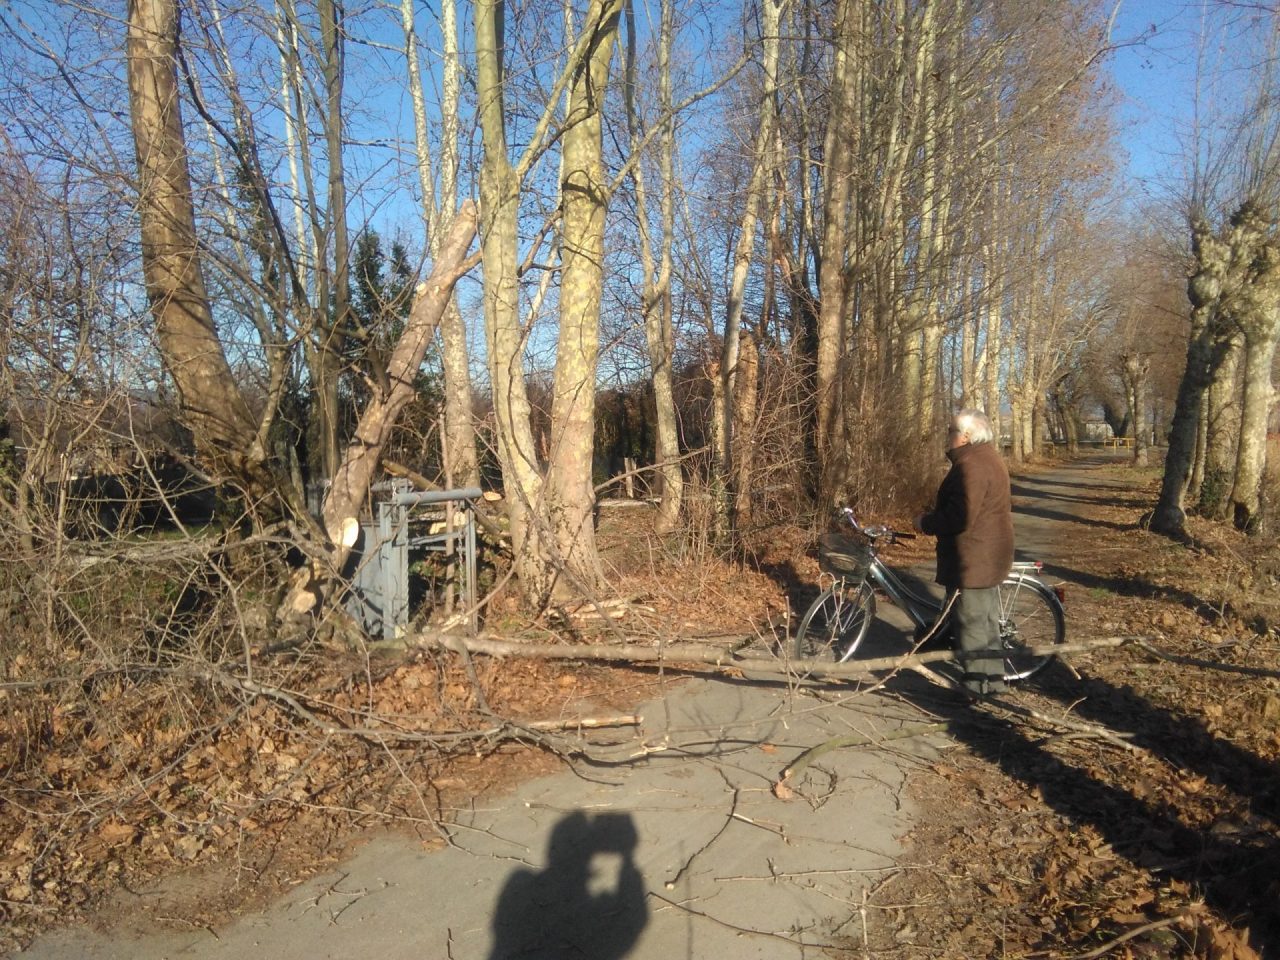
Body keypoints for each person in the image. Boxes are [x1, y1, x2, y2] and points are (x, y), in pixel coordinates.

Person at [914, 409, 1014, 696]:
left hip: (974, 557)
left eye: (951, 431)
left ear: (966, 436)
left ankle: (974, 685)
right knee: (986, 622)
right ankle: (994, 682)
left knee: (971, 623)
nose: (948, 436)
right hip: (989, 554)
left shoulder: (971, 466)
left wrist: (926, 523)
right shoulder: (988, 458)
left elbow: (960, 517)